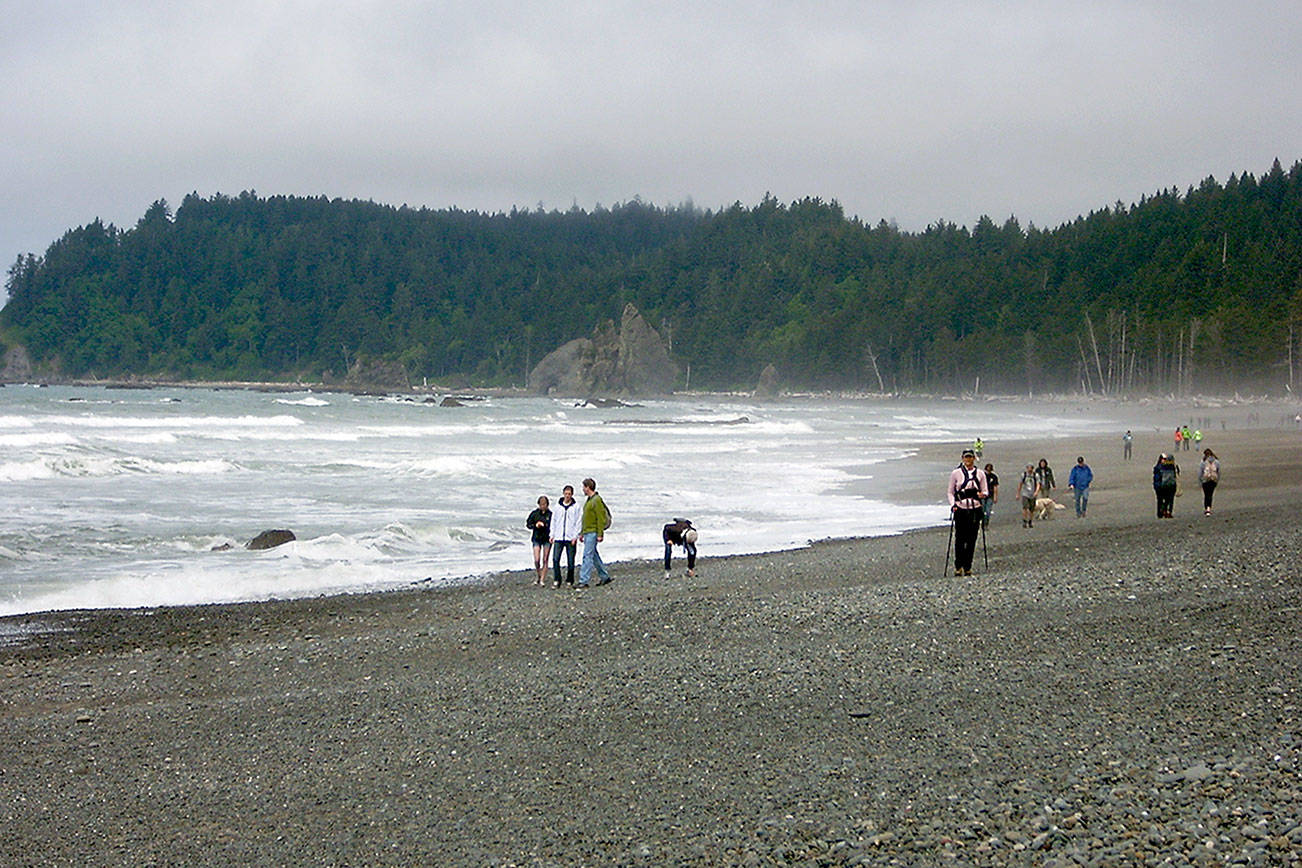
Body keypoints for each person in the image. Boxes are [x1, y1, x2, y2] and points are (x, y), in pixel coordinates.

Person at [946, 448, 988, 576]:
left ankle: (968, 566)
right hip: (961, 509)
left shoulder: (980, 474)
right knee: (960, 539)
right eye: (966, 457)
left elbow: (985, 491)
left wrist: (981, 495)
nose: (968, 460)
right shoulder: (956, 473)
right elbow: (950, 492)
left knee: (972, 539)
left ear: (974, 458)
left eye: (970, 457)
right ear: (962, 458)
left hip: (975, 509)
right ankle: (958, 566)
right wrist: (953, 505)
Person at [578, 477, 612, 587]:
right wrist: (582, 532)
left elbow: (600, 518)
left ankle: (584, 580)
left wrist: (600, 534)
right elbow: (586, 518)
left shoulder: (596, 500)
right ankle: (604, 576)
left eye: (584, 487)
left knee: (587, 556)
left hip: (593, 532)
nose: (583, 489)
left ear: (588, 487)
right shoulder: (589, 500)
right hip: (587, 531)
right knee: (593, 555)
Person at [549, 484, 582, 587]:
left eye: (569, 494)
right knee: (555, 559)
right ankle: (557, 579)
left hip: (570, 537)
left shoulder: (576, 507)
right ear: (563, 494)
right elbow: (553, 521)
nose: (567, 496)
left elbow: (578, 522)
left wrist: (575, 536)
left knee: (571, 561)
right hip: (559, 537)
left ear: (572, 495)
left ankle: (570, 580)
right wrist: (552, 534)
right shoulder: (557, 507)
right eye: (566, 493)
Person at [525, 495, 552, 586]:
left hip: (547, 538)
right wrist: (535, 525)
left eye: (544, 504)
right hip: (536, 538)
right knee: (537, 559)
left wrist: (544, 525)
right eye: (541, 504)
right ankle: (538, 575)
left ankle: (542, 579)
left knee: (545, 559)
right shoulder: (534, 514)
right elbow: (528, 524)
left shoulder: (550, 514)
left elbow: (554, 526)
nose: (543, 506)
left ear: (547, 505)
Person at [1153, 453, 1179, 518]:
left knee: (1162, 500)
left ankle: (1162, 512)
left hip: (1162, 486)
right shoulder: (1171, 466)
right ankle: (1166, 512)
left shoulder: (1159, 467)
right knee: (1168, 499)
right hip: (1165, 486)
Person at [1198, 448, 1221, 516]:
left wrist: (1200, 481)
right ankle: (1209, 508)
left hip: (1205, 480)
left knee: (1206, 495)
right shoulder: (1216, 462)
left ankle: (1206, 509)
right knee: (1210, 495)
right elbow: (1218, 472)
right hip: (1213, 480)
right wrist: (1217, 480)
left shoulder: (1203, 462)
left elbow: (1200, 473)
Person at [1018, 463, 1040, 528]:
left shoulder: (1035, 475)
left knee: (1032, 509)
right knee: (1025, 508)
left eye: (1031, 468)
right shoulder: (1024, 475)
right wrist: (1018, 493)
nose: (1029, 469)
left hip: (1032, 494)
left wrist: (1036, 492)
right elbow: (1020, 484)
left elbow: (1038, 484)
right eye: (1028, 468)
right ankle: (1024, 520)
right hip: (1025, 493)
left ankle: (1030, 520)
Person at [981, 463, 999, 529]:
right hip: (982, 495)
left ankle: (986, 524)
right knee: (982, 510)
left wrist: (995, 496)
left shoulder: (994, 477)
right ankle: (983, 523)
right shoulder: (982, 476)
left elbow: (995, 487)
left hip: (990, 496)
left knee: (988, 511)